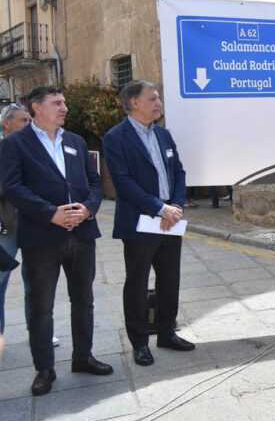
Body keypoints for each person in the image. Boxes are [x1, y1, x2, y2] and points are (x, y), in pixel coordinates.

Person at [0, 86, 113, 396]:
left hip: (82, 234)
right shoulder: (15, 144)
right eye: (57, 103)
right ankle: (44, 369)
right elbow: (12, 187)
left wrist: (88, 208)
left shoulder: (75, 141)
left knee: (84, 300)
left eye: (64, 102)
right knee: (41, 306)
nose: (64, 108)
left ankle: (83, 357)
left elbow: (94, 182)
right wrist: (50, 213)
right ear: (36, 107)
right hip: (41, 237)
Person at [103, 81, 194, 366]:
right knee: (137, 282)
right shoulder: (115, 138)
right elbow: (123, 183)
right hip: (139, 222)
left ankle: (167, 332)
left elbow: (178, 172)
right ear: (134, 103)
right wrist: (160, 208)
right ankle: (140, 342)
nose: (159, 103)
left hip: (170, 220)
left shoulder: (163, 134)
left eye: (158, 98)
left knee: (170, 279)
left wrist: (175, 206)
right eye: (153, 98)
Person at [0, 104, 29, 334]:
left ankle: (39, 332)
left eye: (29, 120)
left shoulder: (34, 150)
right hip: (5, 227)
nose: (27, 125)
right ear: (6, 123)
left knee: (37, 282)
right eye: (23, 120)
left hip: (33, 224)